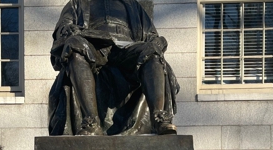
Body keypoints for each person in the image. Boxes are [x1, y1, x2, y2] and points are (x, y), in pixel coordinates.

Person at [49, 0, 180, 136]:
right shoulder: (78, 3)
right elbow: (63, 26)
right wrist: (67, 29)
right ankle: (91, 122)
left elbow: (151, 35)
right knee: (74, 45)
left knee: (152, 51)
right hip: (94, 47)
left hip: (127, 49)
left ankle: (159, 118)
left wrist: (158, 41)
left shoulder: (132, 5)